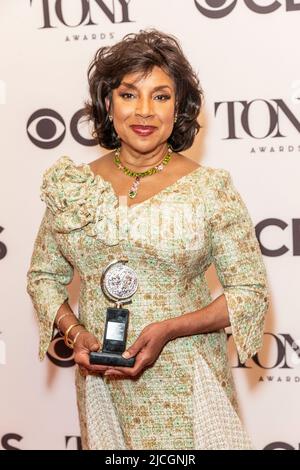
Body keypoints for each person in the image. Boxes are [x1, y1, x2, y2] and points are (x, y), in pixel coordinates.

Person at [27, 29, 269, 450]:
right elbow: (43, 276)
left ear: (179, 108)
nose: (144, 111)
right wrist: (76, 335)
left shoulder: (210, 188)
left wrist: (170, 329)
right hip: (105, 383)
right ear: (108, 103)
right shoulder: (73, 186)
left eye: (160, 96)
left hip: (187, 378)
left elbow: (248, 291)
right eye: (128, 94)